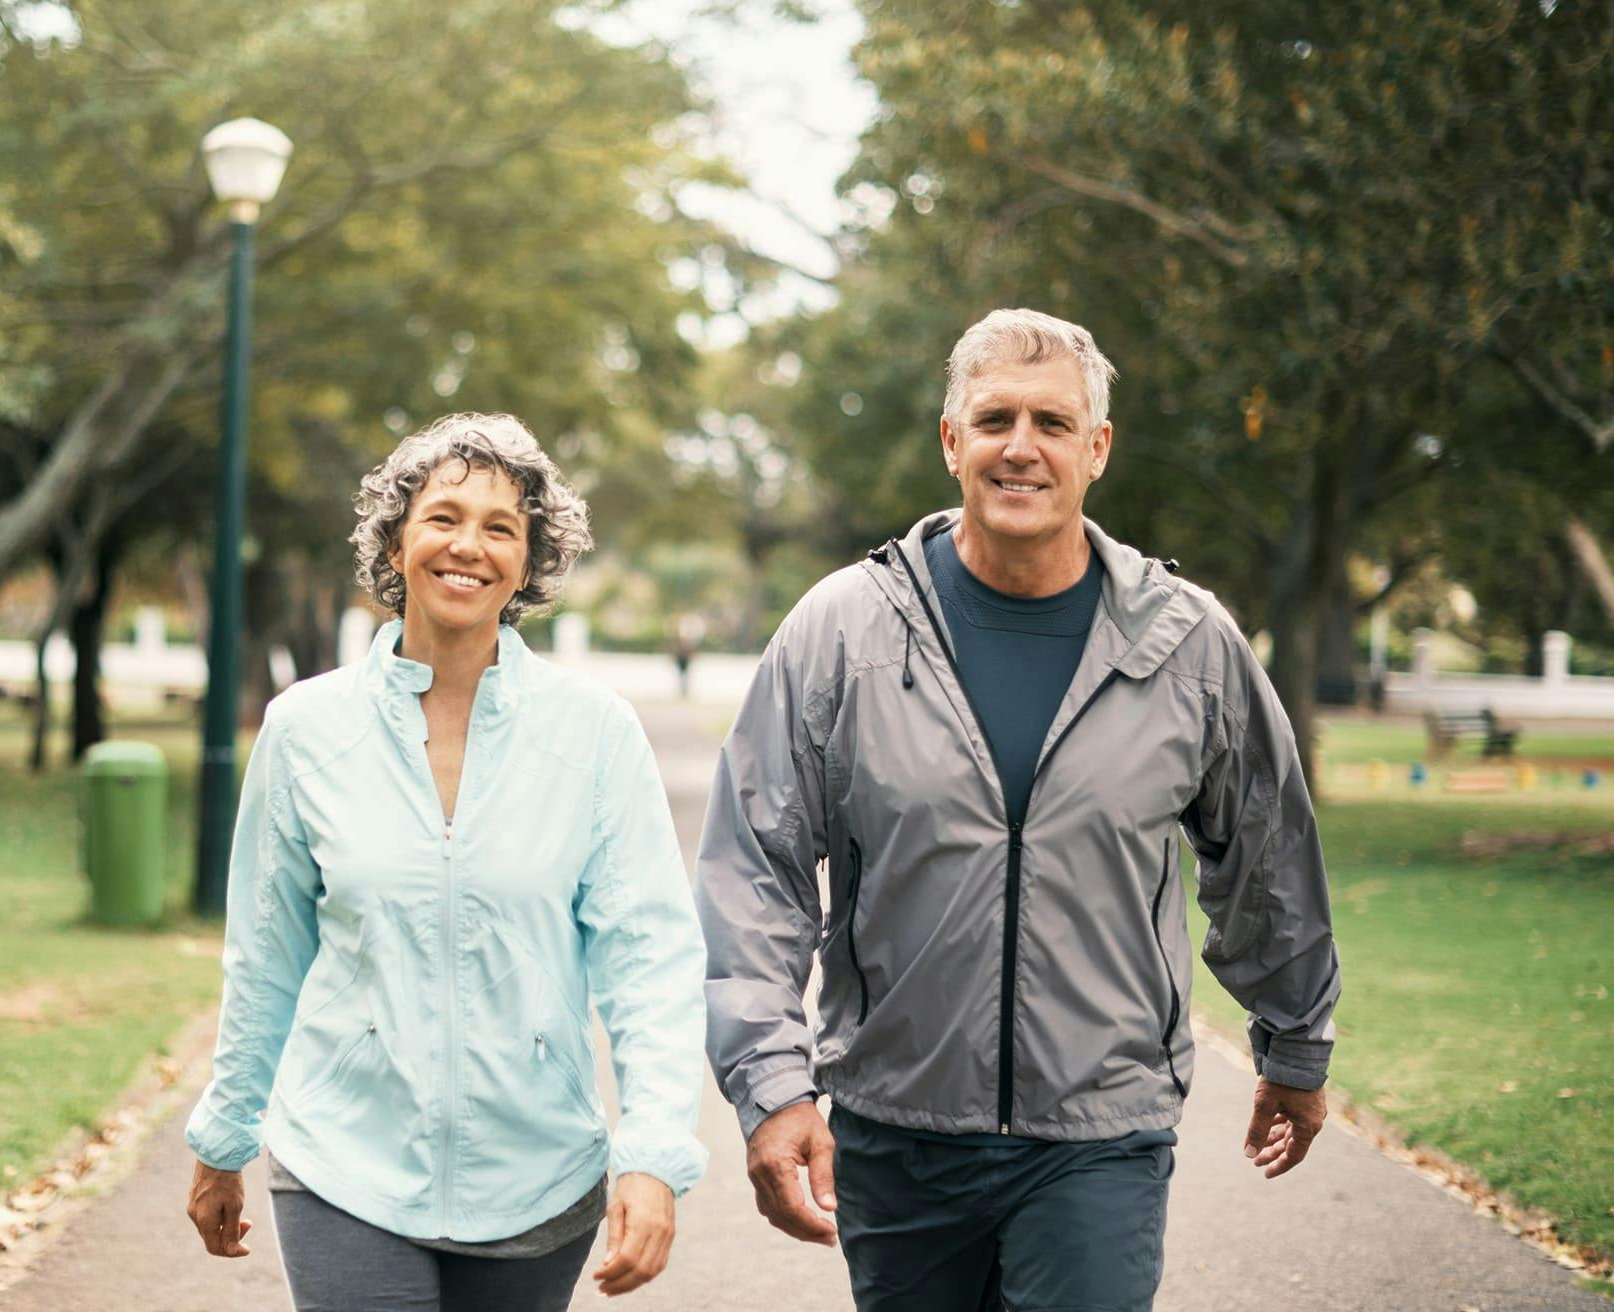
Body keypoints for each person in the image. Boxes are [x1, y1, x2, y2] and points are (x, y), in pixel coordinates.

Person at [694, 308, 1341, 1311]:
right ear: (953, 441)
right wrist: (772, 1085)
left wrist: (1295, 1043)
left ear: (1098, 448)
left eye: (1052, 420)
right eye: (995, 418)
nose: (1021, 446)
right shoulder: (845, 630)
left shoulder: (1187, 643)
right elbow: (755, 868)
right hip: (897, 1130)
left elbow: (1267, 856)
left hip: (1100, 1133)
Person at [184, 412, 708, 1310]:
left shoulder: (595, 734)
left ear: (529, 560)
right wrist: (225, 1132)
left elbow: (648, 960)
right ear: (395, 542)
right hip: (344, 1165)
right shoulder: (306, 729)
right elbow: (267, 951)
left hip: (537, 1177)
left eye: (501, 527)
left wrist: (654, 1154)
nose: (469, 545)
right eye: (443, 517)